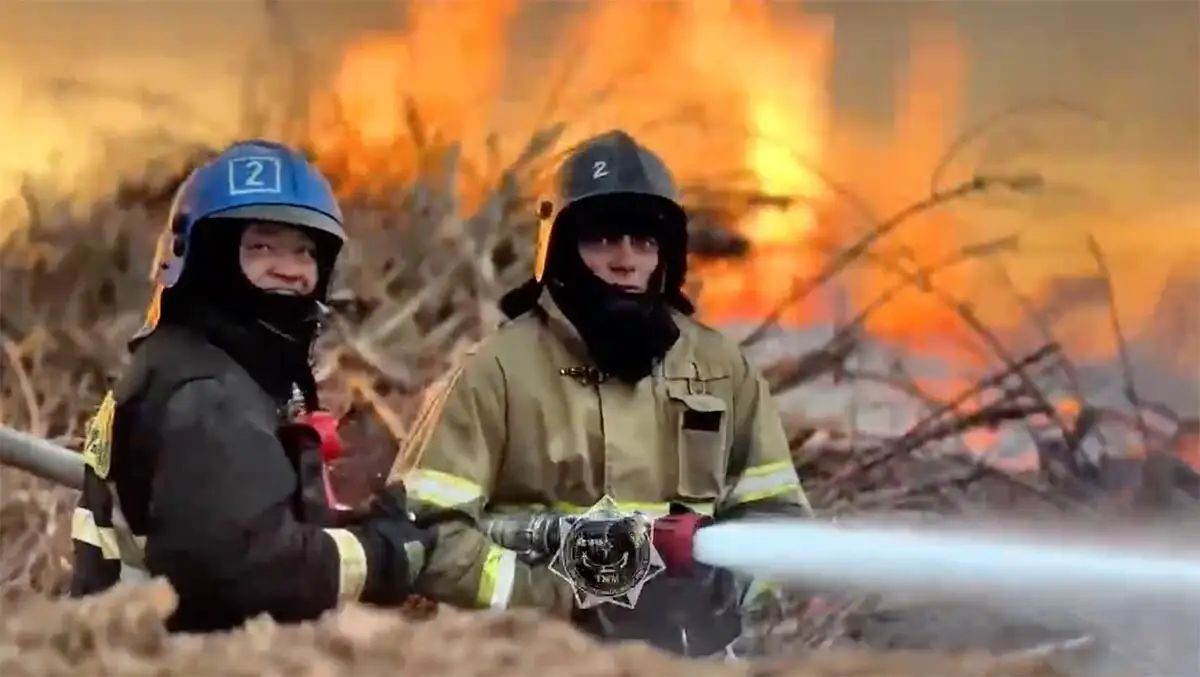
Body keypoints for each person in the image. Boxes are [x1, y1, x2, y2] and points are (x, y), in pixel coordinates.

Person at [394, 129, 813, 658]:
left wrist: (726, 588)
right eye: (603, 240)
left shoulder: (721, 371)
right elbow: (424, 534)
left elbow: (778, 521)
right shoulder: (494, 373)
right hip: (529, 663)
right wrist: (562, 600)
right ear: (561, 249)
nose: (626, 260)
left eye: (644, 241)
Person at [69, 139, 431, 632]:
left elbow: (236, 516)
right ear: (205, 258)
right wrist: (383, 557)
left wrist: (355, 525)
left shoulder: (201, 367)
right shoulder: (206, 393)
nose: (290, 268)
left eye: (304, 251)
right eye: (261, 246)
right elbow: (244, 571)